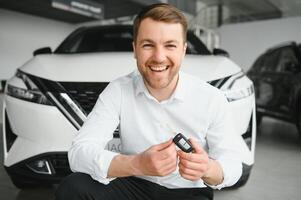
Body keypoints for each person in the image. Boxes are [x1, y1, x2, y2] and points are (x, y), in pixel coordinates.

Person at [55, 3, 245, 200]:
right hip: (132, 184)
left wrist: (208, 168)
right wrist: (136, 164)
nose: (159, 57)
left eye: (170, 45)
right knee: (73, 187)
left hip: (188, 192)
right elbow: (78, 153)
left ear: (183, 50)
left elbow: (233, 164)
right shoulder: (118, 90)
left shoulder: (211, 97)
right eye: (148, 45)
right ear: (135, 49)